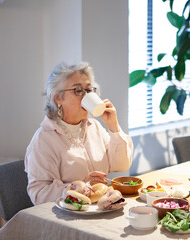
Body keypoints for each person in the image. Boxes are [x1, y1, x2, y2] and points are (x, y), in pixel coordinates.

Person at [24, 62, 133, 205]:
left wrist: (113, 127)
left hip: (100, 207)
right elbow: (39, 194)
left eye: (89, 90)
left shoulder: (94, 126)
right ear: (58, 98)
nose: (86, 95)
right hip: (67, 218)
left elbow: (122, 165)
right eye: (78, 90)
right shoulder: (44, 139)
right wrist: (81, 186)